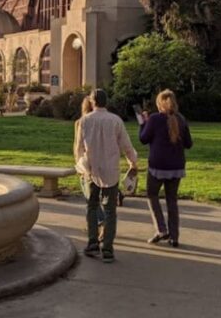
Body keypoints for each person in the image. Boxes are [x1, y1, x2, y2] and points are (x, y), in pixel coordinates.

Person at [74, 88, 138, 264]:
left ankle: (93, 243)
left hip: (91, 168)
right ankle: (108, 249)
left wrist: (81, 165)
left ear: (92, 102)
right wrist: (133, 161)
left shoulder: (85, 121)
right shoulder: (115, 120)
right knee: (110, 210)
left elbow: (79, 147)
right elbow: (126, 144)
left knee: (91, 206)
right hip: (111, 169)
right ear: (106, 102)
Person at [139, 89, 192, 248]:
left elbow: (143, 139)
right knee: (172, 200)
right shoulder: (181, 119)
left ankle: (161, 228)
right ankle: (174, 236)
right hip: (176, 166)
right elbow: (189, 144)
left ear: (159, 103)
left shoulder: (154, 119)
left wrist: (143, 124)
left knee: (152, 195)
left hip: (157, 165)